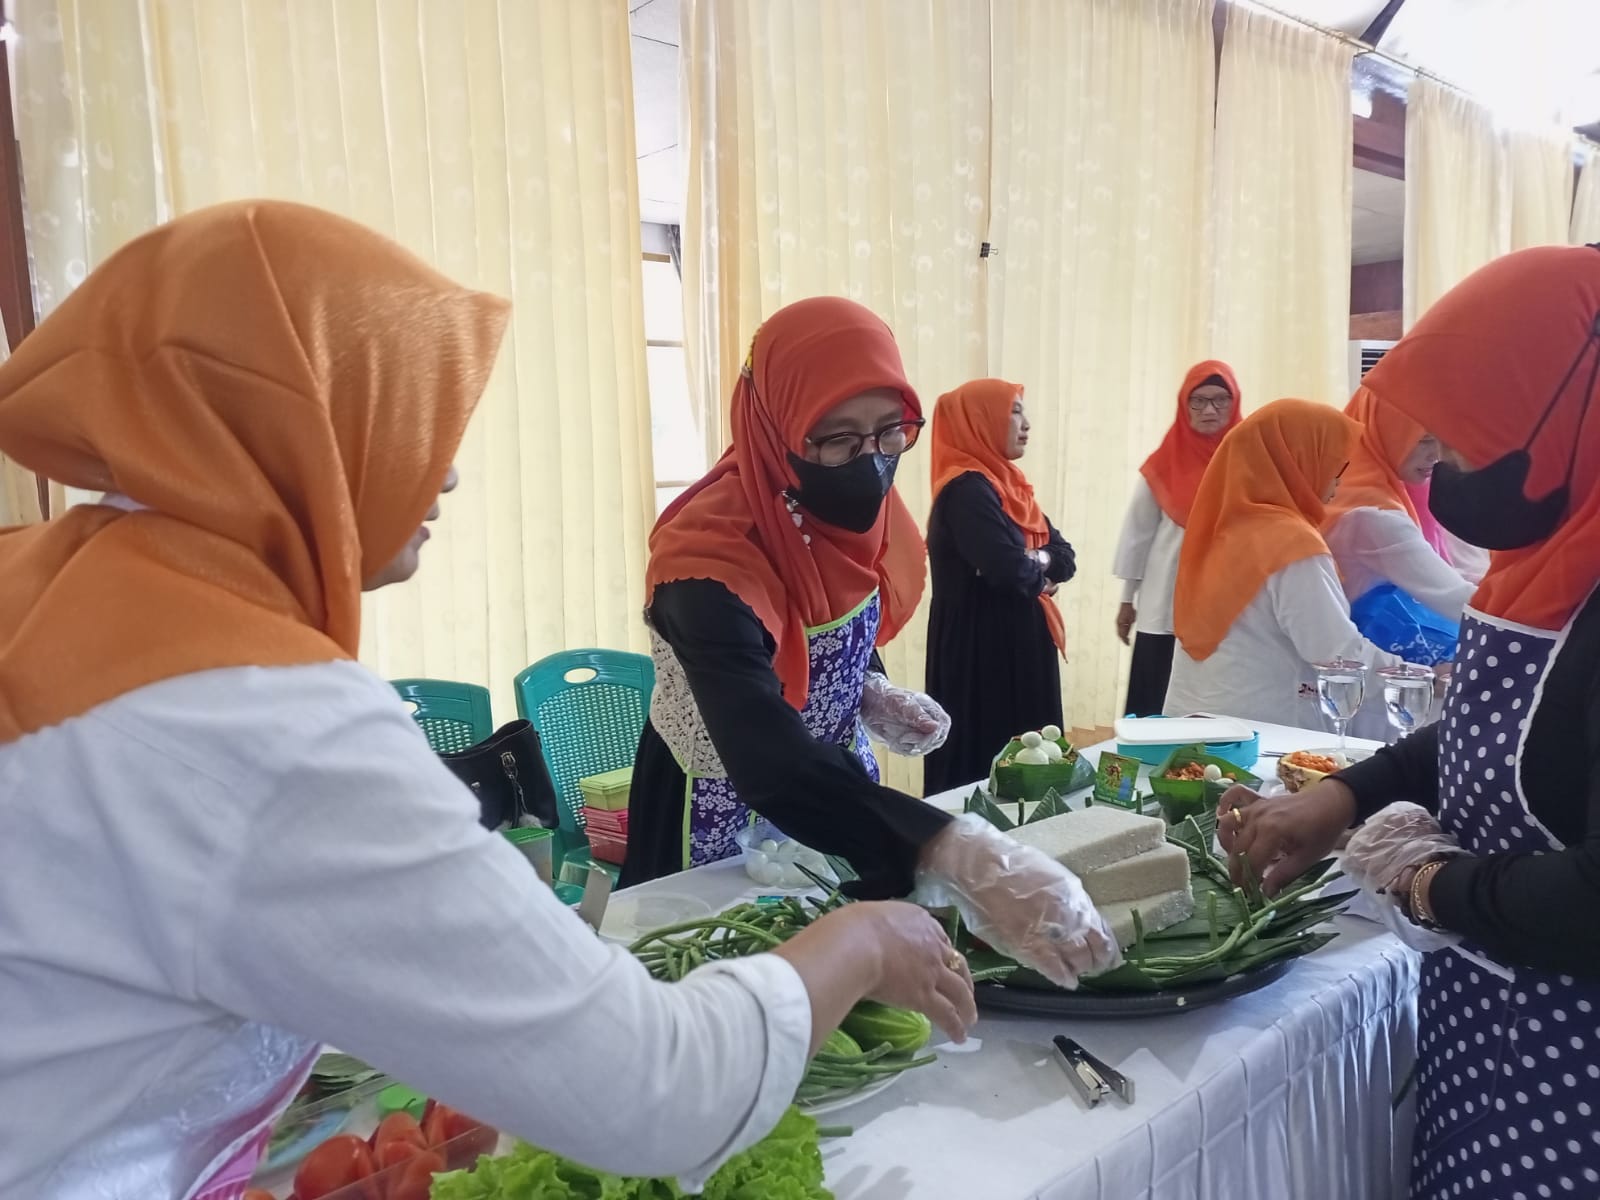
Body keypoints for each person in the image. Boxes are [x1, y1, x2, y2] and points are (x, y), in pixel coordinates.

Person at [0, 203, 984, 1200]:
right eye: (411, 420)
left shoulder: (54, 593)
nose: (451, 471)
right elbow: (650, 1088)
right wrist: (862, 939)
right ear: (302, 432)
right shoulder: (268, 731)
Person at [1216, 245, 1600, 1200]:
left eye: (1466, 439)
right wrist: (1344, 797)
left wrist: (1427, 881)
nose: (1446, 470)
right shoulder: (1547, 559)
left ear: (1559, 414)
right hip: (1490, 1020)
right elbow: (1491, 727)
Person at [620, 297, 1118, 990]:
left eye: (890, 433)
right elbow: (766, 751)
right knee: (730, 1002)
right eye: (836, 438)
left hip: (839, 790)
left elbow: (833, 617)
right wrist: (955, 850)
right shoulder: (705, 558)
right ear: (777, 427)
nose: (869, 464)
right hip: (720, 803)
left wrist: (868, 688)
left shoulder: (859, 512)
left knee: (852, 989)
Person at [1164, 398, 1406, 727]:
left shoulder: (1223, 529)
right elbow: (1337, 654)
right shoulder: (1291, 543)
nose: (1338, 478)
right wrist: (1413, 676)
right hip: (1258, 731)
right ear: (1297, 461)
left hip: (1191, 716)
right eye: (1334, 463)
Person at [921, 379, 1074, 795]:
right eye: (1014, 411)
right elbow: (1007, 569)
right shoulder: (967, 490)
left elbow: (1064, 556)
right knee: (985, 770)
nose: (1027, 424)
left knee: (1032, 761)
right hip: (982, 652)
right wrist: (1035, 566)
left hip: (1017, 642)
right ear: (980, 420)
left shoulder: (1009, 487)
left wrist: (1036, 561)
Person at [1113, 361, 1242, 716]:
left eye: (1220, 400)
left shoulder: (1249, 458)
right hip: (1165, 597)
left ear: (1235, 403)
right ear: (1183, 405)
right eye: (1197, 401)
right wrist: (1128, 599)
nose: (1210, 410)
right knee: (1154, 688)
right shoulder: (1164, 462)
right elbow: (1137, 535)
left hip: (1228, 598)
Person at [1322, 385, 1473, 622]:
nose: (1437, 454)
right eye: (1424, 441)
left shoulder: (1344, 490)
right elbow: (1456, 599)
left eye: (1443, 441)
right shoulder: (1373, 517)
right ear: (1385, 433)